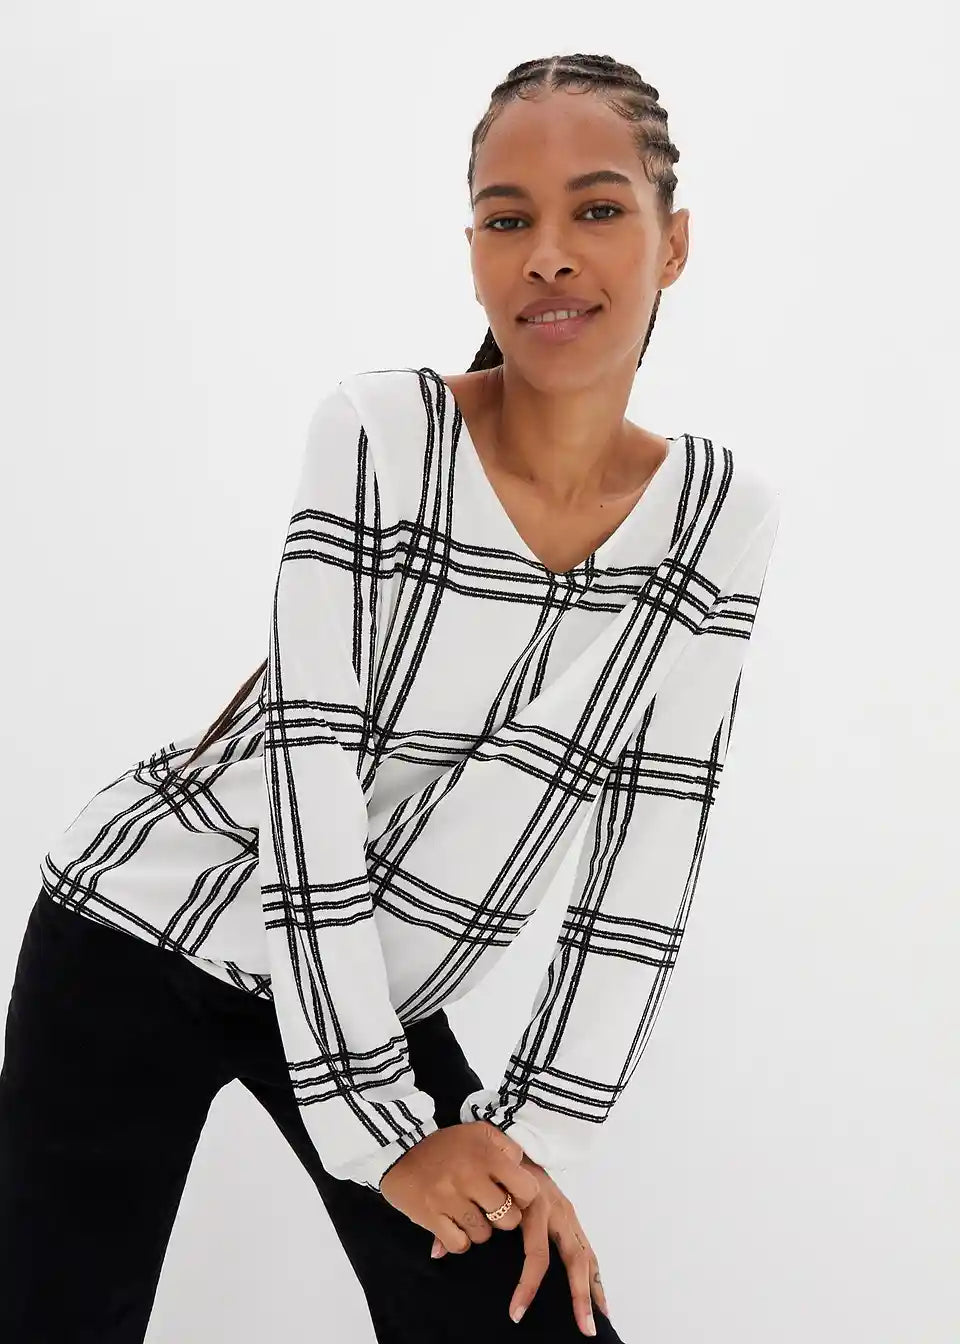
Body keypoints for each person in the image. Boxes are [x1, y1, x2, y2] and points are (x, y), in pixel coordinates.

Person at [0, 50, 781, 1344]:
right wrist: (383, 1132)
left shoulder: (717, 520)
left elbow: (649, 855)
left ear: (674, 242)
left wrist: (523, 1148)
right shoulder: (376, 434)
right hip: (141, 933)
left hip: (374, 982)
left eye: (597, 209)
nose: (549, 255)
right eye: (506, 220)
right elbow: (307, 785)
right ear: (473, 253)